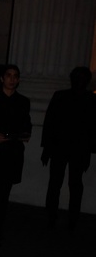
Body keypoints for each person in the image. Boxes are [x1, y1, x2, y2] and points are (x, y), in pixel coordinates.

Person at [41, 66, 96, 229]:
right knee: (56, 183)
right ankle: (52, 215)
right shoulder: (61, 96)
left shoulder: (91, 99)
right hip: (60, 147)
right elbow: (50, 123)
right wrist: (47, 148)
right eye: (77, 77)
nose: (79, 81)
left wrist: (89, 151)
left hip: (78, 149)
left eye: (82, 78)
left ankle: (73, 218)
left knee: (75, 184)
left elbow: (93, 127)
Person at [0, 63, 32, 245]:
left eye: (15, 76)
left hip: (12, 153)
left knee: (4, 193)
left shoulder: (23, 101)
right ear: (2, 78)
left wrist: (20, 135)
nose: (12, 79)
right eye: (9, 75)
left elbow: (25, 125)